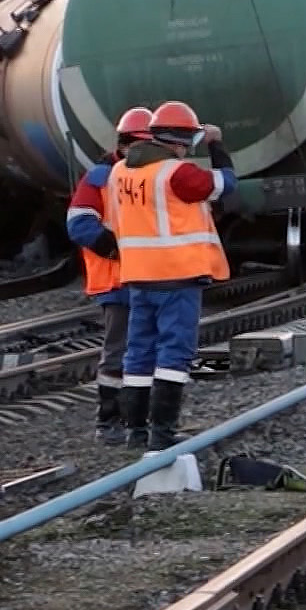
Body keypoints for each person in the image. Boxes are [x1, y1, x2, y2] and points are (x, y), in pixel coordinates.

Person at [107, 100, 236, 451]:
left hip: (138, 277)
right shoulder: (176, 173)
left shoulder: (119, 173)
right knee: (174, 354)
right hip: (177, 276)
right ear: (179, 141)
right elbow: (226, 184)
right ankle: (163, 434)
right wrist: (215, 145)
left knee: (138, 354)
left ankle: (135, 432)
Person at [65, 106, 154, 445]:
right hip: (119, 281)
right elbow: (79, 225)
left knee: (143, 351)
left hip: (143, 278)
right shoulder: (101, 178)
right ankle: (110, 421)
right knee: (119, 352)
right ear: (127, 144)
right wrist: (120, 250)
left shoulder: (143, 173)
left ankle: (136, 422)